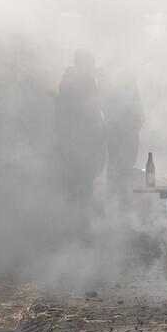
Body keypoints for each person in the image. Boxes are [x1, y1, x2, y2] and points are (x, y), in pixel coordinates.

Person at [54, 49, 106, 229]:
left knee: (71, 189)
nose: (91, 68)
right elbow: (94, 108)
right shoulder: (85, 82)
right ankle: (81, 229)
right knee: (83, 189)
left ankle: (70, 229)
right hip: (83, 144)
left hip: (69, 144)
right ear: (83, 64)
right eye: (90, 64)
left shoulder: (66, 80)